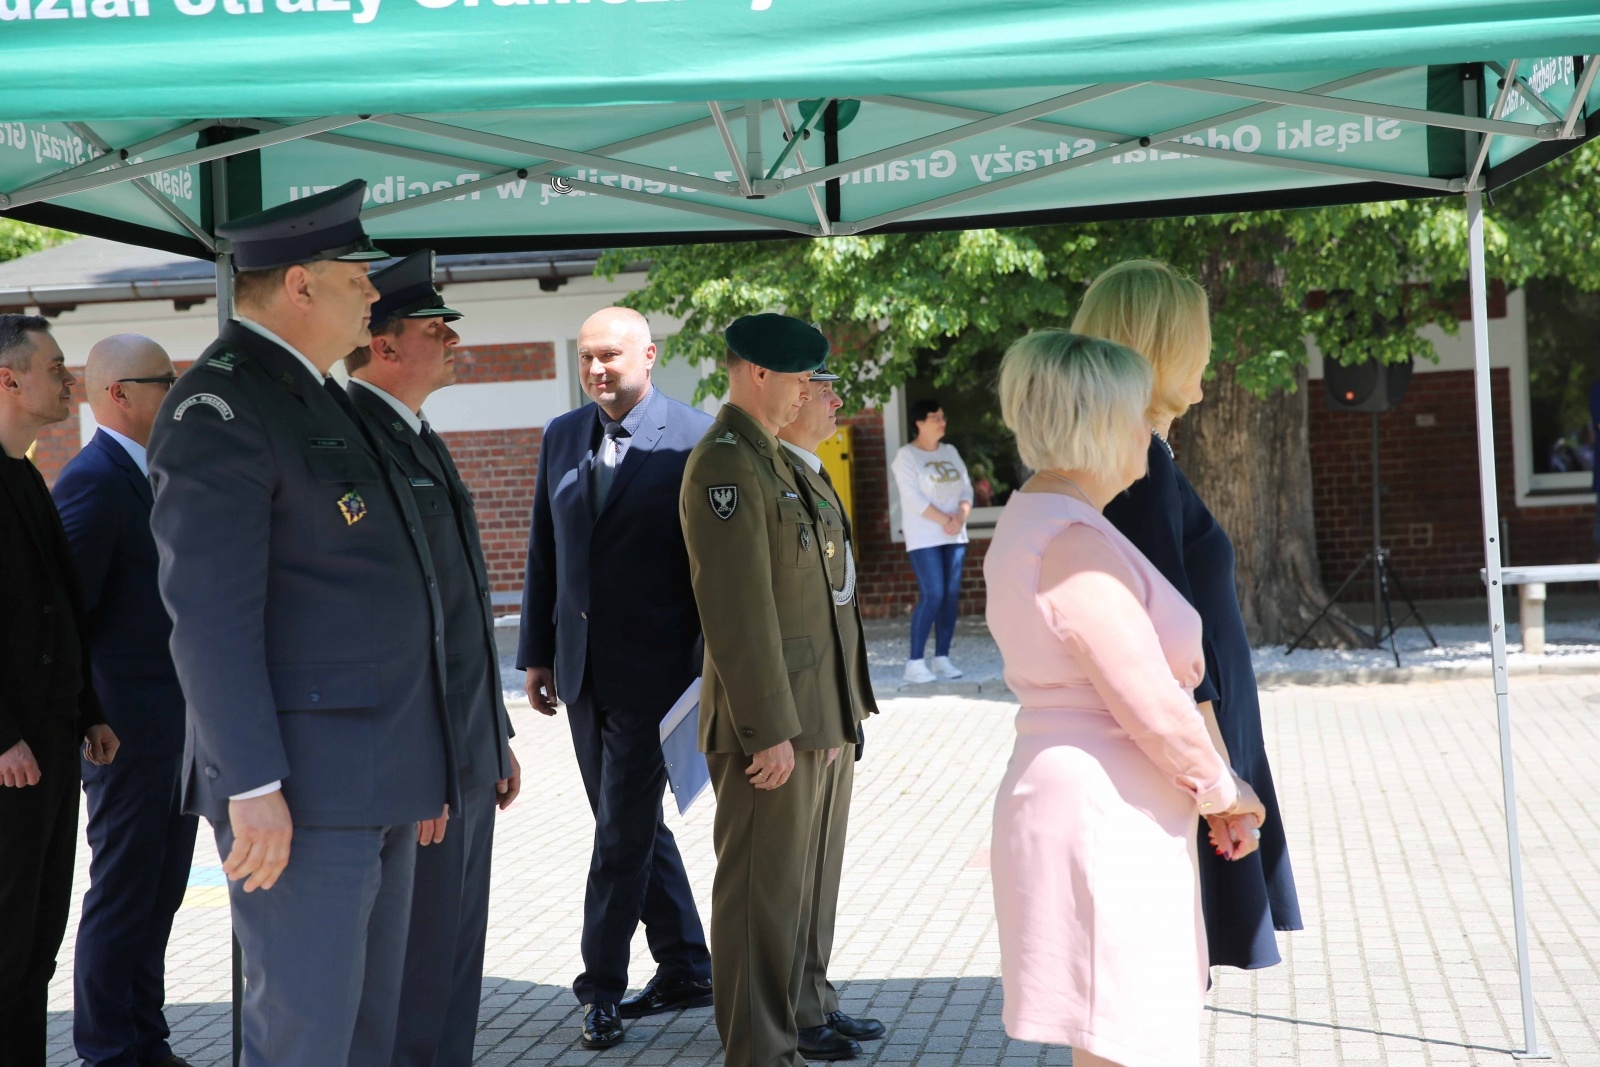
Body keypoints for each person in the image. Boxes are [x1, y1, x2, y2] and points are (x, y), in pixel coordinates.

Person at [146, 181, 456, 1067]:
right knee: (305, 1036)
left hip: (375, 772)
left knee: (363, 1034)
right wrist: (250, 782)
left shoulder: (320, 397)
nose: (373, 292)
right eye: (357, 277)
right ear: (299, 286)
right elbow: (209, 615)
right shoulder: (220, 405)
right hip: (300, 789)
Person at [985, 329, 1265, 1067]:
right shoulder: (1070, 540)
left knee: (1116, 1038)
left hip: (1102, 802)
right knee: (1134, 1038)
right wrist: (1223, 790)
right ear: (1102, 423)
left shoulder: (1047, 520)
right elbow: (1149, 699)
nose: (1149, 431)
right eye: (1138, 414)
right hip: (1103, 811)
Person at [1083, 259, 1303, 969]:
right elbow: (1166, 636)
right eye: (1197, 340)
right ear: (1158, 347)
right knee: (1169, 967)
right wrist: (1216, 777)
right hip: (1188, 750)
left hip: (1197, 744)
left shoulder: (1141, 454)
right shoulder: (1136, 461)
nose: (1208, 354)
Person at [516, 306, 714, 1050]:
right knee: (626, 821)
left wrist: (709, 669)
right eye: (586, 357)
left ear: (649, 356)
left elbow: (711, 571)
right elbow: (547, 548)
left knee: (618, 833)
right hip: (580, 672)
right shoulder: (562, 434)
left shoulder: (696, 439)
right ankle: (686, 964)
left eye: (611, 355)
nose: (597, 369)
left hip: (658, 675)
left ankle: (599, 988)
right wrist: (538, 652)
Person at [680, 313, 874, 1067]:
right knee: (761, 894)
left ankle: (791, 1025)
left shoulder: (769, 458)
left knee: (793, 888)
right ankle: (760, 1050)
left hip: (808, 709)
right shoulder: (726, 462)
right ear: (758, 372)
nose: (808, 392)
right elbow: (737, 610)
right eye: (799, 378)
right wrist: (768, 728)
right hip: (770, 723)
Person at [344, 250, 521, 1067]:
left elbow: (459, 610)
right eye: (434, 328)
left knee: (454, 943)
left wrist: (495, 733)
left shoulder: (413, 432)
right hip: (424, 758)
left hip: (463, 747)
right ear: (383, 344)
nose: (454, 340)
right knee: (417, 955)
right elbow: (383, 624)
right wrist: (427, 761)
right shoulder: (359, 440)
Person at [53, 335, 197, 1067]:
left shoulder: (153, 472)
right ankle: (109, 1048)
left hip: (176, 728)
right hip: (124, 731)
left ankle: (146, 1038)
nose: (177, 391)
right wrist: (89, 714)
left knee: (160, 893)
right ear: (119, 394)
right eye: (165, 380)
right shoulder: (94, 480)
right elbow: (63, 613)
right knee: (123, 893)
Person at [0, 314, 120, 1067]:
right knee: (8, 933)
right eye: (54, 367)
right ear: (8, 380)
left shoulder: (25, 473)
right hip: (9, 755)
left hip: (46, 744)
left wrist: (88, 711)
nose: (70, 380)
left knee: (38, 935)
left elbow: (57, 610)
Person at [773, 367, 884, 1056]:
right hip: (796, 709)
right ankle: (790, 1011)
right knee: (789, 874)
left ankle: (814, 997)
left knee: (821, 869)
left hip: (833, 703)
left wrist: (850, 703)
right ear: (790, 397)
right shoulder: (768, 473)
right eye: (822, 388)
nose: (837, 400)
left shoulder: (810, 472)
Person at [891, 399, 973, 684]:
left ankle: (942, 659)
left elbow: (967, 488)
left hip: (955, 534)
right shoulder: (906, 456)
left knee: (950, 596)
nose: (942, 422)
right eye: (935, 417)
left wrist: (960, 518)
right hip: (925, 537)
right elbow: (912, 498)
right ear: (919, 422)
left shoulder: (950, 451)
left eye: (943, 416)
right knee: (933, 593)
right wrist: (946, 520)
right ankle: (914, 663)